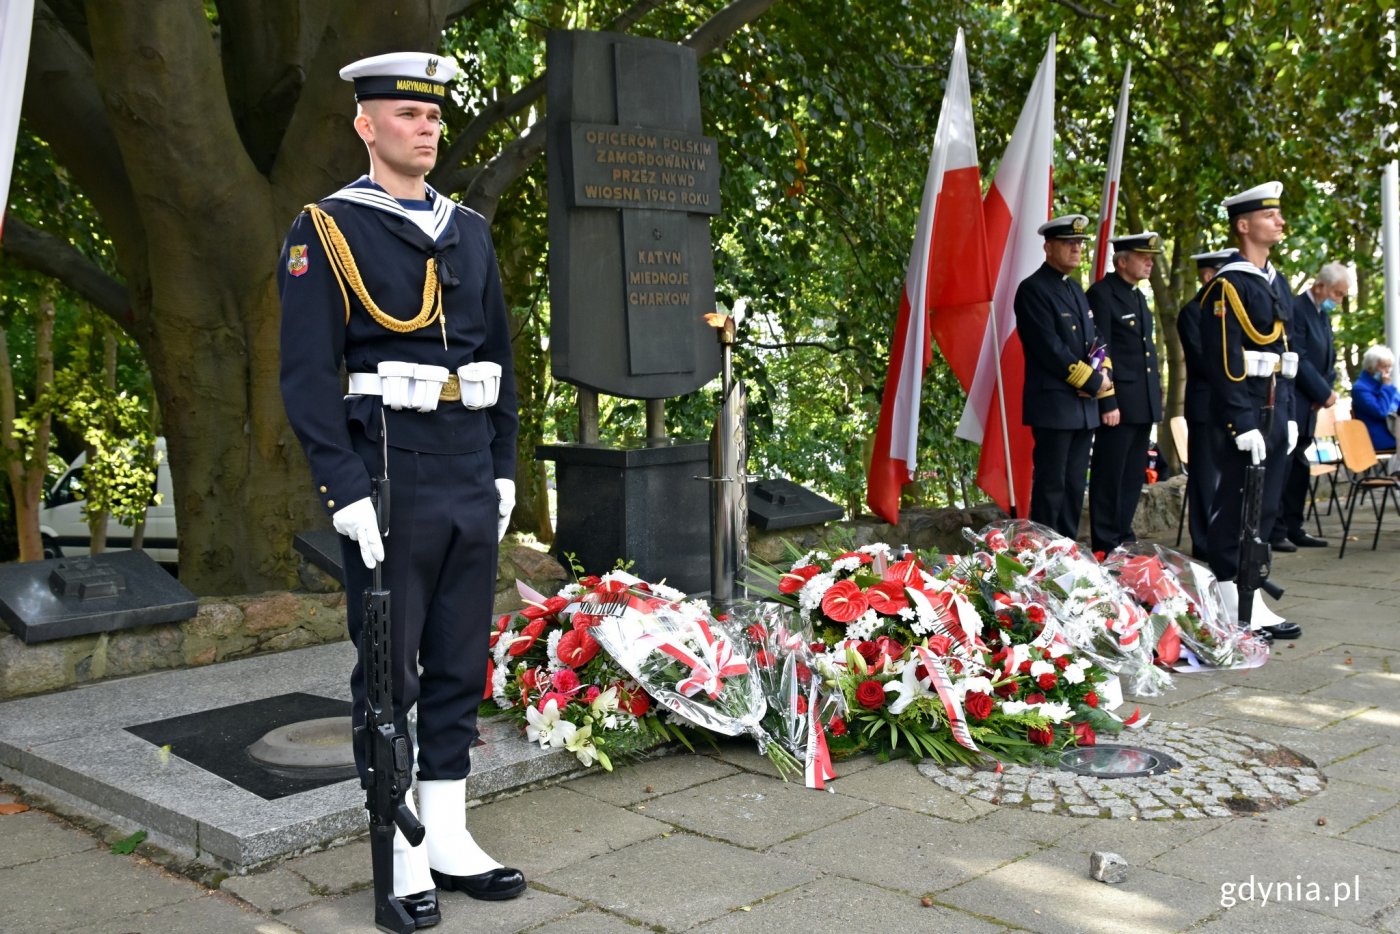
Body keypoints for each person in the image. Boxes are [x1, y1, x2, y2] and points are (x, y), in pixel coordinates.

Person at [278, 51, 525, 924]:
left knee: (461, 662)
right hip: (388, 470)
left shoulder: (468, 229)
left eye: (432, 116)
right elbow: (308, 377)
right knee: (390, 675)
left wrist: (503, 467)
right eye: (407, 115)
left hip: (464, 466)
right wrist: (342, 488)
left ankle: (451, 835)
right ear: (366, 125)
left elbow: (499, 359)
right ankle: (401, 858)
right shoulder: (329, 229)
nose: (426, 128)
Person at [1199, 181, 1301, 641]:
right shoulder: (1228, 285)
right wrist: (1241, 420)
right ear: (1244, 226)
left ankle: (1252, 593)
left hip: (1276, 407)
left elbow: (1286, 355)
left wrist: (1292, 414)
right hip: (1249, 411)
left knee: (1266, 506)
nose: (1279, 221)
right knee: (1238, 502)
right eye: (1269, 215)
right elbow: (1225, 360)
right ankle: (1229, 595)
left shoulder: (1273, 280)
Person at [1015, 214, 1113, 539]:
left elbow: (1095, 339)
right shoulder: (1032, 290)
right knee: (1051, 487)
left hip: (1084, 411)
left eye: (1080, 244)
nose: (1076, 249)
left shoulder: (1075, 289)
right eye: (1069, 243)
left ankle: (1069, 553)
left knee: (1073, 490)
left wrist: (1105, 373)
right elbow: (1050, 349)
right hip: (1055, 407)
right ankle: (1043, 555)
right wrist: (1092, 382)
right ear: (1048, 247)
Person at [1087, 232, 1164, 554]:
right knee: (1109, 471)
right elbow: (1100, 351)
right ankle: (1105, 538)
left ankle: (1122, 530)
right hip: (1119, 401)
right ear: (1122, 261)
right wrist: (1108, 400)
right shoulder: (1102, 295)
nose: (1150, 262)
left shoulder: (1137, 296)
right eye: (1143, 256)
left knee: (1133, 473)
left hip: (1142, 400)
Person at [1271, 262, 1349, 549]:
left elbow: (1328, 356)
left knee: (1299, 466)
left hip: (1311, 403)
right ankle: (1275, 529)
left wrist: (1327, 389)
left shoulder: (1321, 314)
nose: (1338, 300)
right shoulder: (1297, 309)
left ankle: (1294, 525)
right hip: (1295, 398)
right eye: (1337, 294)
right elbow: (1298, 356)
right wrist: (1321, 391)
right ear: (1320, 287)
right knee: (1285, 465)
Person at [1176, 249, 1233, 559]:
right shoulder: (1194, 312)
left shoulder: (1223, 312)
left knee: (1225, 477)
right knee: (1205, 479)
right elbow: (1203, 360)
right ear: (1209, 276)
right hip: (1205, 406)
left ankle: (1222, 538)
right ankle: (1203, 543)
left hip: (1226, 405)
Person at [1351, 345, 1400, 469]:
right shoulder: (1360, 389)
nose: (1387, 371)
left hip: (1393, 432)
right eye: (1383, 366)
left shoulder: (1384, 385)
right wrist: (1387, 388)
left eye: (1389, 366)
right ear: (1371, 367)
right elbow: (1381, 411)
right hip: (1379, 436)